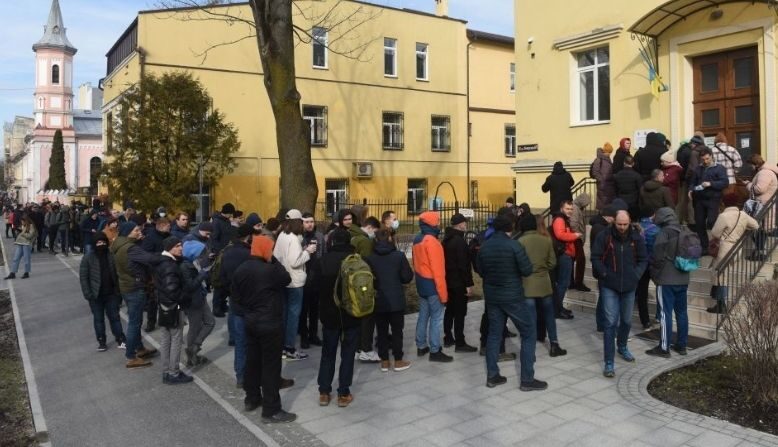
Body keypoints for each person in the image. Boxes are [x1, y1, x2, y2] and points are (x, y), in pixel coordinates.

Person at [231, 235, 297, 423]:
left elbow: (236, 298)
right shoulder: (269, 270)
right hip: (270, 322)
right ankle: (271, 410)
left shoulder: (241, 269)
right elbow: (286, 278)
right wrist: (274, 260)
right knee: (270, 366)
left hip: (250, 321)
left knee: (253, 361)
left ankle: (251, 398)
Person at [478, 215, 545, 390]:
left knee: (494, 334)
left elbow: (480, 270)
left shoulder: (484, 247)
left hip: (493, 297)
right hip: (513, 297)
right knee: (529, 332)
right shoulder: (514, 245)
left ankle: (492, 376)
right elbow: (527, 270)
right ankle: (527, 379)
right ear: (510, 228)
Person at [591, 210, 647, 378]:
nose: (622, 227)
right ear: (614, 222)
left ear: (629, 222)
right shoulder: (605, 235)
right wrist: (605, 274)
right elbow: (595, 257)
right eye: (619, 224)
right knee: (610, 322)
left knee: (627, 320)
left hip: (629, 285)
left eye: (625, 224)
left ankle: (622, 346)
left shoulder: (636, 237)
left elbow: (644, 259)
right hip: (609, 285)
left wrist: (636, 274)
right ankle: (609, 362)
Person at [316, 228, 363, 407]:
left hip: (329, 314)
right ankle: (343, 393)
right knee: (348, 353)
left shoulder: (323, 261)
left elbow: (313, 286)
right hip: (352, 313)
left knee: (328, 353)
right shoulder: (358, 261)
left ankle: (324, 392)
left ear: (332, 242)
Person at [111, 221, 162, 368]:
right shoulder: (130, 248)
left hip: (127, 286)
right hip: (134, 288)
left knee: (135, 321)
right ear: (128, 232)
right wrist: (167, 254)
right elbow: (150, 259)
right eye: (136, 230)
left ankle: (140, 349)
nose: (140, 233)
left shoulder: (120, 244)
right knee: (135, 322)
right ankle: (131, 356)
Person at [364, 229, 414, 373]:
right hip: (396, 300)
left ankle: (384, 360)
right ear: (390, 239)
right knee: (397, 331)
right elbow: (407, 277)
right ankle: (398, 360)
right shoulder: (398, 256)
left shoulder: (369, 258)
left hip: (378, 299)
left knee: (381, 331)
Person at [519, 215, 567, 357]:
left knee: (531, 316)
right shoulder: (546, 240)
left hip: (527, 284)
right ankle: (554, 344)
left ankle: (530, 349)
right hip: (544, 283)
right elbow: (552, 263)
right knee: (549, 315)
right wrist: (542, 268)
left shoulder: (520, 242)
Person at [645, 208, 690, 357]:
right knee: (682, 313)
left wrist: (654, 273)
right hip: (683, 278)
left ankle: (664, 348)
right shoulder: (684, 229)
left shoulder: (664, 232)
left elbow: (657, 257)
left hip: (666, 280)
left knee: (665, 314)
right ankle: (682, 346)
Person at [273, 209, 317, 360]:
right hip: (294, 282)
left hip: (282, 279)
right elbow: (295, 261)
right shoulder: (293, 238)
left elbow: (278, 257)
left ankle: (282, 346)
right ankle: (289, 348)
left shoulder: (281, 236)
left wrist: (301, 252)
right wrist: (308, 252)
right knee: (293, 316)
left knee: (285, 314)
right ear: (297, 222)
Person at [153, 237, 195, 384]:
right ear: (170, 248)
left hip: (164, 306)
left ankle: (166, 371)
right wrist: (185, 298)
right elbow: (173, 290)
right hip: (173, 307)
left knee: (165, 341)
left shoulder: (162, 261)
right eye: (178, 246)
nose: (181, 248)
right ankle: (174, 373)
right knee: (176, 341)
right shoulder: (170, 265)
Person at [708, 194, 759, 314]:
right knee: (723, 276)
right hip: (736, 249)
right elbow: (756, 225)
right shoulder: (743, 215)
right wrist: (744, 230)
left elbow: (715, 233)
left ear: (724, 203)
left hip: (724, 249)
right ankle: (719, 303)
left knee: (720, 277)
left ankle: (721, 305)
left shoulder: (724, 216)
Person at [413, 211, 452, 362]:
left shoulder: (418, 239)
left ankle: (421, 346)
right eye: (438, 220)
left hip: (421, 283)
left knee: (423, 315)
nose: (440, 223)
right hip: (433, 285)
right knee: (436, 318)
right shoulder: (433, 242)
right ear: (433, 223)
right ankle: (435, 350)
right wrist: (443, 295)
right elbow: (438, 271)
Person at [79, 232, 126, 352]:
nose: (101, 244)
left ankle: (120, 339)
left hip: (111, 294)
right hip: (95, 295)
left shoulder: (111, 255)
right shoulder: (88, 257)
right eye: (99, 242)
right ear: (94, 244)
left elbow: (117, 273)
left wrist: (118, 292)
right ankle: (101, 341)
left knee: (115, 318)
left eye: (103, 242)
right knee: (98, 319)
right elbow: (83, 277)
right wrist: (88, 294)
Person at [442, 213, 477, 352]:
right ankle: (460, 343)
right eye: (464, 222)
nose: (466, 225)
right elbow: (464, 266)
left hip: (448, 281)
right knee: (460, 313)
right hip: (459, 283)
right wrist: (468, 284)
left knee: (449, 311)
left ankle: (448, 337)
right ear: (460, 224)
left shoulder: (446, 239)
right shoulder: (460, 242)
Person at [349, 215, 381, 363]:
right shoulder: (365, 241)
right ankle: (366, 349)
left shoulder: (352, 235)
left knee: (356, 316)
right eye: (374, 231)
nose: (374, 234)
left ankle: (356, 348)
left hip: (351, 281)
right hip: (363, 282)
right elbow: (369, 264)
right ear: (369, 228)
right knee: (368, 317)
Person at [180, 240, 216, 367]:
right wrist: (202, 275)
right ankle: (192, 354)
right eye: (201, 252)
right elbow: (190, 286)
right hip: (193, 300)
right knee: (195, 327)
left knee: (210, 322)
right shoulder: (185, 266)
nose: (203, 255)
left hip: (200, 296)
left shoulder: (192, 262)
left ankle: (194, 348)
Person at [689, 148, 728, 253]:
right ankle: (704, 247)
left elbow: (725, 183)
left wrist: (711, 184)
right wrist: (691, 190)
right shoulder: (698, 168)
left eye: (707, 159)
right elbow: (692, 182)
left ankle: (716, 244)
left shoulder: (719, 168)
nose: (705, 162)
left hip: (713, 199)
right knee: (699, 223)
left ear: (711, 156)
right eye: (703, 160)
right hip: (699, 199)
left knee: (712, 221)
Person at [550, 201, 581, 319]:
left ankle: (559, 307)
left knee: (563, 283)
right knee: (563, 284)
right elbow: (560, 235)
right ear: (562, 208)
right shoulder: (559, 219)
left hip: (566, 255)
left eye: (571, 209)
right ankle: (557, 310)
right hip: (564, 255)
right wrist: (575, 236)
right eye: (567, 209)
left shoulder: (563, 219)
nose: (570, 211)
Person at [589, 206, 617, 332]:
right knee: (605, 297)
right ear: (608, 216)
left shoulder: (599, 226)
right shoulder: (600, 229)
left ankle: (601, 324)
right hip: (602, 267)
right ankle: (602, 323)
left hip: (601, 267)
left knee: (603, 296)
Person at [299, 212, 325, 349]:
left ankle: (313, 334)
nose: (310, 224)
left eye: (312, 221)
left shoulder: (319, 236)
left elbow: (324, 255)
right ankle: (304, 336)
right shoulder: (299, 237)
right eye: (307, 222)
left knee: (315, 309)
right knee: (303, 310)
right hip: (303, 276)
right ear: (302, 223)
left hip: (316, 277)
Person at [636, 208, 660, 329]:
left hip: (641, 264)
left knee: (642, 293)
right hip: (654, 264)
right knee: (660, 289)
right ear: (653, 215)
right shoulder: (657, 230)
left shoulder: (636, 228)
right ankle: (658, 316)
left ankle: (644, 321)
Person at [569, 193, 591, 292]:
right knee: (581, 260)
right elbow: (573, 224)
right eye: (586, 203)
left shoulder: (577, 208)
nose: (586, 206)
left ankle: (571, 282)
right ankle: (578, 283)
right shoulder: (575, 208)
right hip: (576, 238)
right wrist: (578, 235)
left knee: (572, 259)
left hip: (576, 237)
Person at [592, 144, 615, 210]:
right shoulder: (599, 160)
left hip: (608, 186)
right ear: (605, 151)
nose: (610, 154)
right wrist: (602, 181)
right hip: (603, 186)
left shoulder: (608, 159)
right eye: (609, 152)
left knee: (607, 204)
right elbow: (595, 172)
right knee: (603, 205)